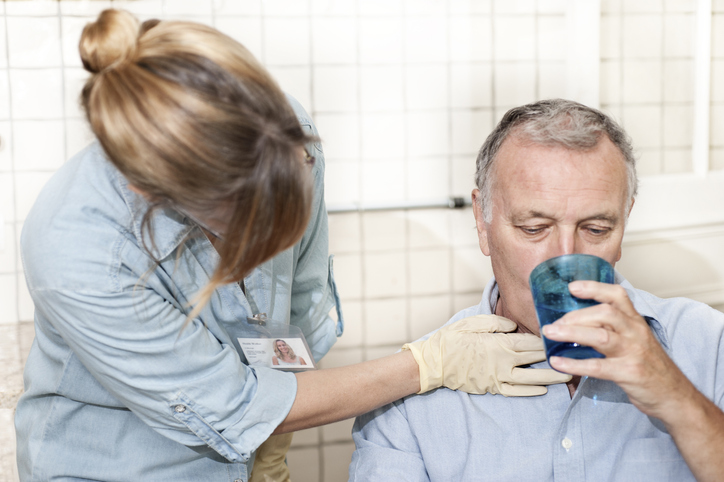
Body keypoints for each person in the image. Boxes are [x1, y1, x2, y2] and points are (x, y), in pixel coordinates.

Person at [14, 10, 570, 482]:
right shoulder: (81, 252)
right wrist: (430, 364)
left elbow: (294, 304)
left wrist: (272, 441)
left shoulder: (285, 134)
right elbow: (230, 408)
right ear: (164, 195)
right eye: (254, 217)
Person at [350, 99, 724, 481]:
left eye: (595, 229)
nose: (564, 258)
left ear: (625, 220)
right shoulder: (406, 401)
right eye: (534, 228)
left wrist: (679, 400)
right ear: (482, 221)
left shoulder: (709, 345)